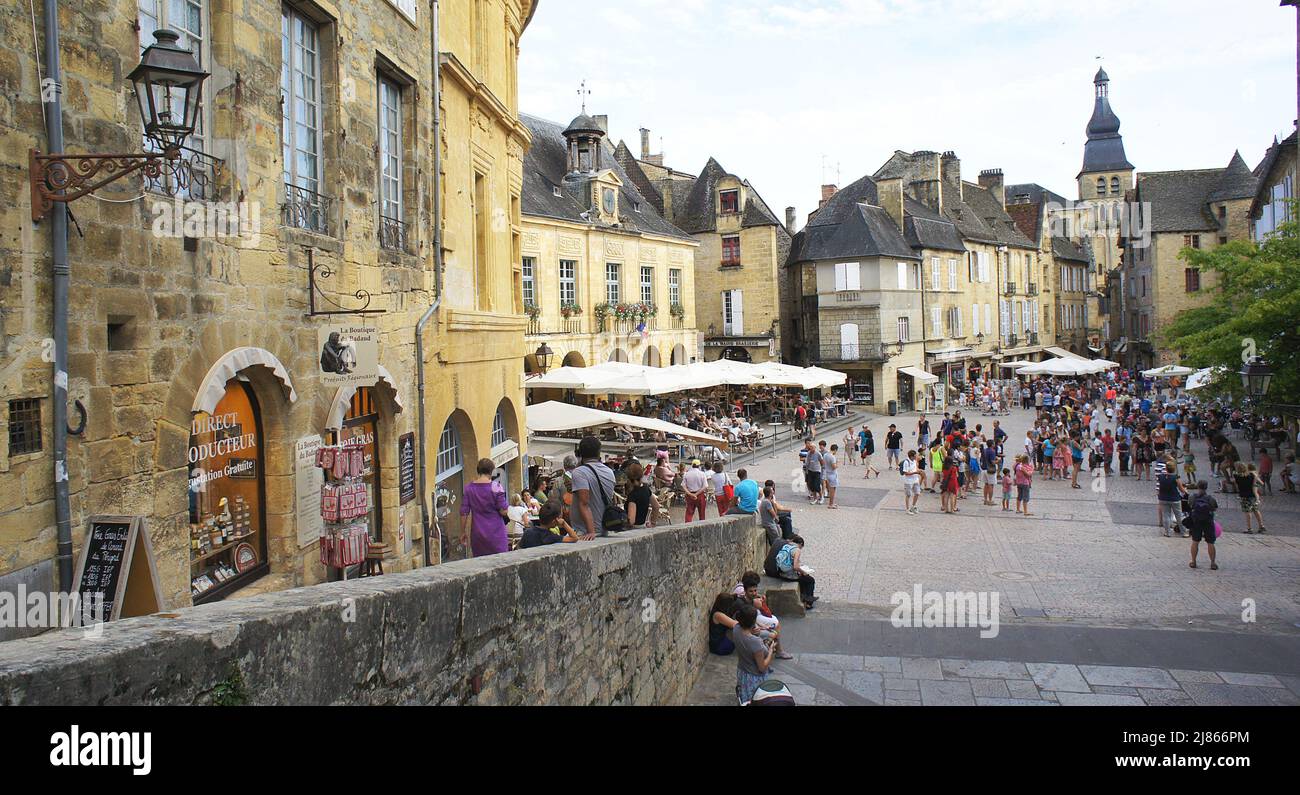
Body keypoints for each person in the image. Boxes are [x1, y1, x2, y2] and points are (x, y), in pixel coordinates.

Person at [460, 457, 510, 557]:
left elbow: (464, 512)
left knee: (480, 564)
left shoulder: (469, 488)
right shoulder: (496, 487)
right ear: (491, 472)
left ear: (478, 471)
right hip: (497, 533)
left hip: (478, 534)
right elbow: (504, 511)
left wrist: (462, 532)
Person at [571, 435, 617, 540]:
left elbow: (584, 502)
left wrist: (591, 531)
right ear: (598, 452)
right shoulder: (609, 472)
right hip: (604, 528)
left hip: (585, 531)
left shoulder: (579, 472)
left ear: (580, 453)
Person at [731, 604, 776, 705]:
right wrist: (770, 651)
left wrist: (754, 632)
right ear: (752, 621)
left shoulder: (736, 629)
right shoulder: (755, 642)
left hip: (743, 672)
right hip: (754, 678)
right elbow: (762, 667)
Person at [765, 535, 815, 610]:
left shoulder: (786, 546)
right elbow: (795, 567)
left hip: (780, 572)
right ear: (800, 544)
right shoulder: (797, 550)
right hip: (788, 575)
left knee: (803, 579)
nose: (801, 548)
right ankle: (809, 603)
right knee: (810, 580)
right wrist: (803, 572)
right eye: (802, 547)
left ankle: (803, 597)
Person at [1186, 480, 1219, 570]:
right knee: (1210, 542)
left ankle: (1193, 561)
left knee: (1195, 541)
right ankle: (1212, 563)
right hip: (1208, 521)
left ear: (1197, 486)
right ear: (1206, 487)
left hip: (1196, 521)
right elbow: (1214, 508)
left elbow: (1190, 505)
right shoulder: (1210, 498)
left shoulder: (1193, 497)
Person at [1156, 457, 1187, 538]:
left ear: (1166, 468)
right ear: (1174, 469)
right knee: (1178, 516)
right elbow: (1181, 489)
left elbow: (1160, 486)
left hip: (1163, 498)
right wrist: (1185, 491)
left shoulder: (1161, 477)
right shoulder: (1176, 478)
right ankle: (1184, 532)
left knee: (1166, 515)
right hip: (1174, 498)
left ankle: (1167, 532)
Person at [624, 461, 658, 529]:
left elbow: (631, 520)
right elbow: (656, 506)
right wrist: (653, 523)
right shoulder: (646, 489)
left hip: (633, 530)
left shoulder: (633, 495)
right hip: (643, 526)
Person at [1235, 462, 1267, 534]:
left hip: (1244, 496)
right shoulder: (1252, 475)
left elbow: (1236, 484)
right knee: (1256, 510)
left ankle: (1249, 528)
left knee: (1248, 512)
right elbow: (1261, 483)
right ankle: (1261, 526)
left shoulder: (1237, 476)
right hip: (1253, 496)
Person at [901, 449, 921, 515]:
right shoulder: (906, 462)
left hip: (915, 480)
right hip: (908, 481)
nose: (916, 457)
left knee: (917, 493)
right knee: (908, 495)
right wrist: (915, 472)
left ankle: (913, 506)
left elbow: (916, 468)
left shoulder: (915, 461)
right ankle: (907, 509)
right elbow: (906, 473)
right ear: (911, 456)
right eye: (915, 456)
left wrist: (918, 470)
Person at [824, 444, 840, 509]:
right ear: (835, 450)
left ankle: (832, 503)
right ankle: (831, 504)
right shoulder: (832, 457)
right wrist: (837, 463)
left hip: (827, 473)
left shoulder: (825, 455)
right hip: (832, 474)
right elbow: (834, 467)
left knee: (831, 489)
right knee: (832, 490)